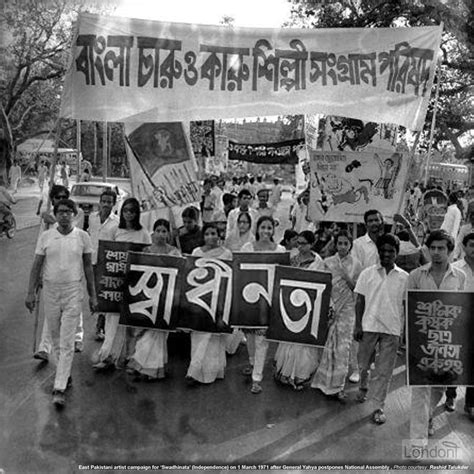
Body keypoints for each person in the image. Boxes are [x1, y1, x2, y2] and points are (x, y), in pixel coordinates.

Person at [25, 198, 97, 408]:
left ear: (74, 215)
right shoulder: (46, 237)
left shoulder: (83, 237)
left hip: (73, 290)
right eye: (61, 212)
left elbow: (88, 269)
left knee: (66, 340)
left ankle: (59, 387)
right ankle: (64, 374)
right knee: (55, 337)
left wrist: (93, 296)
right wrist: (30, 293)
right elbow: (36, 265)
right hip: (50, 290)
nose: (64, 215)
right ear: (55, 215)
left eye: (68, 212)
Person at [408, 230, 466, 446]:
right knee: (420, 390)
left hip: (446, 343)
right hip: (421, 342)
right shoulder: (416, 276)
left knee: (440, 387)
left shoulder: (460, 277)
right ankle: (417, 442)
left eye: (441, 248)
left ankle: (427, 416)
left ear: (450, 251)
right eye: (432, 248)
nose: (436, 252)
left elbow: (460, 308)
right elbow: (408, 307)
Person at [353, 233, 408, 425]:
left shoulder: (404, 278)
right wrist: (358, 324)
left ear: (397, 253)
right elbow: (359, 300)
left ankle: (378, 406)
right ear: (378, 251)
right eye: (383, 250)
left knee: (384, 370)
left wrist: (402, 332)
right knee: (363, 363)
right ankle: (363, 385)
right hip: (368, 326)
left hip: (392, 329)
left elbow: (406, 306)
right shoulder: (367, 273)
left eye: (390, 251)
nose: (386, 254)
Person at [93, 197, 152, 370]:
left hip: (136, 283)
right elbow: (108, 254)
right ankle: (107, 355)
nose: (128, 214)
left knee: (130, 322)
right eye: (126, 210)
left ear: (137, 213)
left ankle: (127, 356)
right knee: (112, 318)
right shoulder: (115, 231)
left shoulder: (143, 234)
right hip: (115, 283)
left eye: (132, 211)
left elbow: (148, 256)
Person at [33, 185, 85, 361]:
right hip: (51, 269)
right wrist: (39, 272)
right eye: (56, 198)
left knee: (74, 308)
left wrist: (53, 220)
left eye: (63, 196)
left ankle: (77, 336)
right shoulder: (48, 216)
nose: (59, 200)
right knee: (52, 313)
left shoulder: (75, 212)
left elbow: (70, 229)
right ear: (52, 199)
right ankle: (44, 347)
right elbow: (41, 245)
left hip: (72, 268)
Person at [127, 219, 181, 381]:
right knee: (147, 332)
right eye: (158, 230)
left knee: (159, 332)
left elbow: (179, 274)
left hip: (166, 297)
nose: (161, 234)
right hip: (148, 297)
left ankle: (150, 369)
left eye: (164, 231)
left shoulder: (174, 253)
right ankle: (146, 365)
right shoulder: (146, 251)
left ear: (169, 234)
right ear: (153, 233)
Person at [312, 231, 362, 400]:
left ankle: (338, 385)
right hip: (330, 306)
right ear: (335, 244)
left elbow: (357, 288)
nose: (342, 247)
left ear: (350, 245)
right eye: (339, 243)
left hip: (347, 308)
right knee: (328, 343)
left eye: (345, 244)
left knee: (343, 346)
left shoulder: (357, 264)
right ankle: (323, 382)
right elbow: (321, 284)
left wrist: (344, 274)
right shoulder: (327, 262)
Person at [274, 230, 325, 390]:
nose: (301, 246)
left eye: (304, 243)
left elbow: (320, 284)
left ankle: (301, 374)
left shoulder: (317, 261)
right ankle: (286, 371)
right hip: (292, 302)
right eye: (299, 243)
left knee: (303, 340)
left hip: (309, 304)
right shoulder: (293, 259)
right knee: (290, 336)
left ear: (311, 244)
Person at [240, 216, 286, 394]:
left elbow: (283, 275)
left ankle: (256, 377)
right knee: (250, 337)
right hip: (248, 298)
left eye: (269, 228)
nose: (266, 231)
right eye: (263, 227)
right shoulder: (247, 248)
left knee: (262, 340)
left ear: (273, 231)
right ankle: (252, 363)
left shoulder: (280, 250)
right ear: (257, 229)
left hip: (268, 300)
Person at [186, 223, 232, 385]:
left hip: (218, 301)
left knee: (212, 337)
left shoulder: (227, 254)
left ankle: (209, 371)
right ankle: (195, 370)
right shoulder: (196, 253)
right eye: (207, 234)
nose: (211, 237)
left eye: (214, 233)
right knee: (199, 334)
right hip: (199, 300)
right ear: (203, 236)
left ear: (219, 235)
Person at [87, 189, 119, 341]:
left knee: (104, 295)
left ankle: (101, 326)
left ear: (113, 204)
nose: (106, 204)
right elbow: (88, 236)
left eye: (109, 202)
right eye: (103, 201)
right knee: (93, 294)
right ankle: (98, 321)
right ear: (99, 202)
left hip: (107, 263)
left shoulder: (117, 222)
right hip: (91, 262)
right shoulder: (92, 218)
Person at [453, 232, 474, 421]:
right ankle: (450, 395)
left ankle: (470, 403)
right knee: (455, 358)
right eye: (472, 245)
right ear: (464, 247)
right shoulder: (455, 269)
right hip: (457, 321)